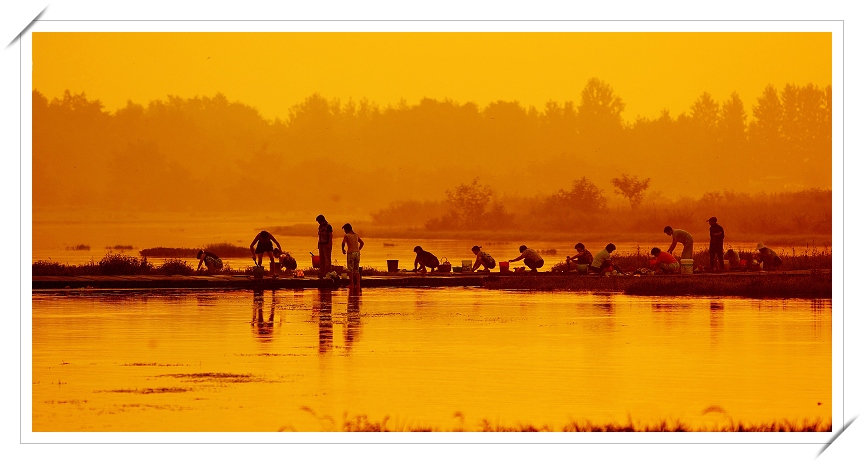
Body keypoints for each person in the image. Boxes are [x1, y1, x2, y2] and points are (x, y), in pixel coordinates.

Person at [341, 223, 365, 292]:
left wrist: (343, 249)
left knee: (350, 269)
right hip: (357, 253)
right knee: (356, 269)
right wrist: (358, 249)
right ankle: (358, 284)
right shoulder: (356, 235)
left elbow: (343, 243)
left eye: (345, 230)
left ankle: (351, 283)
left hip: (350, 253)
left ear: (347, 229)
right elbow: (362, 243)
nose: (344, 231)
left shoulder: (347, 235)